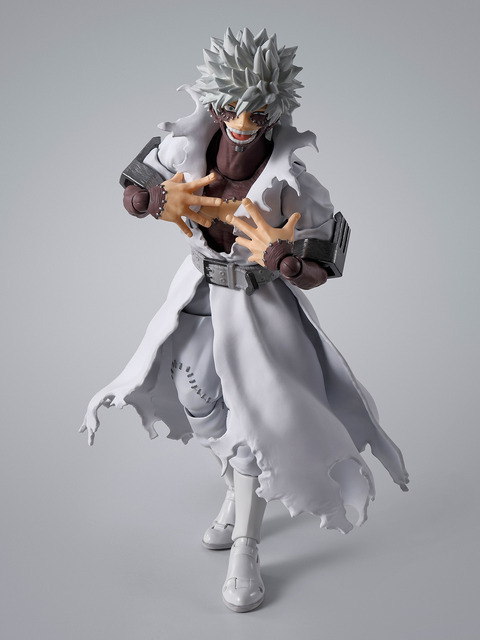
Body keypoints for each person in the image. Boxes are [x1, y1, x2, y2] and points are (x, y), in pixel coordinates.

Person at [81, 28, 409, 613]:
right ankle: (238, 490)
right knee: (198, 403)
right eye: (229, 107)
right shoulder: (185, 146)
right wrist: (153, 202)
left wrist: (284, 260)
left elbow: (327, 261)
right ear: (214, 102)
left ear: (274, 112)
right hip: (198, 290)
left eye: (254, 112)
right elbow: (133, 182)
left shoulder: (295, 183)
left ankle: (246, 546)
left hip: (259, 307)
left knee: (255, 424)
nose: (239, 122)